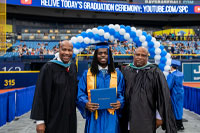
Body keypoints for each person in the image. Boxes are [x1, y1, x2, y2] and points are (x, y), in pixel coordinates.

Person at [120, 47, 177, 133]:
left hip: (147, 117)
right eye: (137, 55)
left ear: (147, 57)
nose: (140, 57)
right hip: (128, 116)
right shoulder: (126, 70)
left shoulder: (155, 72)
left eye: (143, 55)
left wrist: (159, 117)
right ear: (133, 56)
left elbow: (162, 96)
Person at [77, 42, 125, 133]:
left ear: (109, 56)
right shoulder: (87, 74)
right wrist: (86, 103)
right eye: (100, 53)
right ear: (96, 56)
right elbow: (80, 93)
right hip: (94, 116)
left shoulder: (118, 74)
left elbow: (121, 93)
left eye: (105, 53)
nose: (103, 55)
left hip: (111, 116)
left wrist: (120, 102)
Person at [30, 40, 77, 133]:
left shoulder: (72, 67)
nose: (67, 53)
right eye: (64, 50)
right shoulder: (48, 68)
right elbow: (40, 94)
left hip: (69, 117)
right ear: (58, 49)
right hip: (53, 118)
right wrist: (40, 121)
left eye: (69, 50)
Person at [167, 60, 184, 131]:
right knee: (179, 107)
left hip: (174, 93)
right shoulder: (181, 73)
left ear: (171, 67)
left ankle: (178, 125)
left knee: (175, 108)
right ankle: (180, 124)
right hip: (180, 93)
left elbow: (169, 86)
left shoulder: (172, 75)